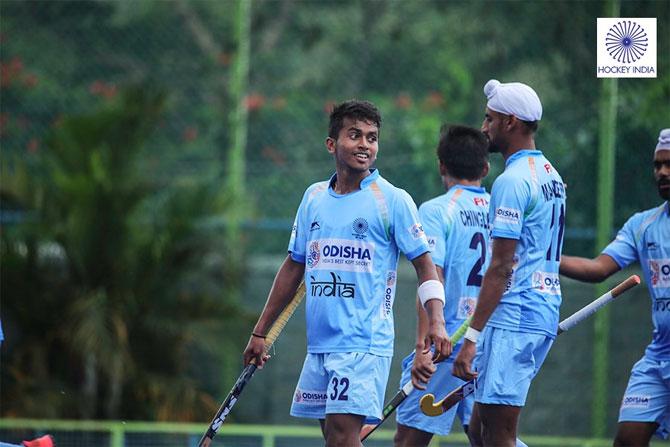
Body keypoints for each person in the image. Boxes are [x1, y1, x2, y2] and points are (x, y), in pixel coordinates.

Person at [242, 100, 450, 447]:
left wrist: (438, 321)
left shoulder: (392, 200)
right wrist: (260, 331)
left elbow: (426, 265)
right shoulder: (313, 198)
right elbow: (294, 266)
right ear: (331, 144)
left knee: (341, 438)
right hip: (320, 345)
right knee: (335, 438)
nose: (365, 145)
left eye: (372, 137)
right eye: (354, 135)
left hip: (363, 345)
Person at [453, 79, 566, 447]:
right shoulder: (551, 175)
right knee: (479, 429)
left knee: (498, 435)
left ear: (510, 122)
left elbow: (501, 267)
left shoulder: (512, 181)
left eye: (490, 119)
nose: (484, 127)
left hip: (517, 315)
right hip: (538, 310)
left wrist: (471, 338)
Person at [559, 128, 670, 446]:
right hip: (658, 358)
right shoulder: (642, 225)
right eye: (657, 165)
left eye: (669, 164)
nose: (662, 172)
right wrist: (544, 257)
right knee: (627, 441)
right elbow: (597, 269)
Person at [393, 125, 490, 447]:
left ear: (441, 166)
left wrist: (423, 348)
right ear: (486, 168)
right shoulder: (502, 210)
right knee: (492, 438)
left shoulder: (436, 210)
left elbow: (431, 277)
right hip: (487, 345)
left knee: (408, 441)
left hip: (445, 345)